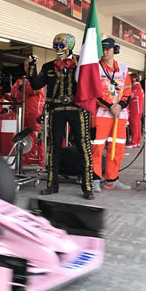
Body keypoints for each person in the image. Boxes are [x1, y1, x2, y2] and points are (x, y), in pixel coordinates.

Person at [29, 33, 94, 200]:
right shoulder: (48, 66)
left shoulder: (81, 64)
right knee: (53, 147)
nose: (57, 50)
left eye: (61, 46)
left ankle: (87, 186)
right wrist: (31, 68)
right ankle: (52, 184)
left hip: (77, 109)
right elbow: (37, 84)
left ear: (70, 47)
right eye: (55, 46)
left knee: (83, 146)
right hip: (56, 109)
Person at [92, 38, 132, 191]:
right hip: (102, 114)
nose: (105, 52)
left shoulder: (123, 69)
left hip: (120, 116)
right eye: (103, 49)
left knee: (117, 147)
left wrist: (120, 105)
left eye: (108, 49)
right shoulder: (95, 68)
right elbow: (94, 92)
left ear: (114, 50)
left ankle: (112, 180)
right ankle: (95, 179)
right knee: (97, 147)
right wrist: (110, 106)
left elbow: (127, 91)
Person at [11, 56, 45, 167]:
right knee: (21, 137)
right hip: (21, 112)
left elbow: (36, 90)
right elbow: (14, 93)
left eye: (29, 65)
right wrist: (23, 89)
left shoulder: (39, 78)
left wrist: (23, 88)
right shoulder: (21, 79)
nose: (27, 67)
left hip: (35, 113)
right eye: (25, 65)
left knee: (37, 138)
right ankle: (24, 162)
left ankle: (39, 164)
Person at [128, 72, 144, 148]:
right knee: (137, 125)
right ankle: (137, 141)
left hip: (135, 109)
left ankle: (134, 142)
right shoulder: (138, 86)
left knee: (134, 125)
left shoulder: (136, 87)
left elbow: (131, 96)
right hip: (137, 109)